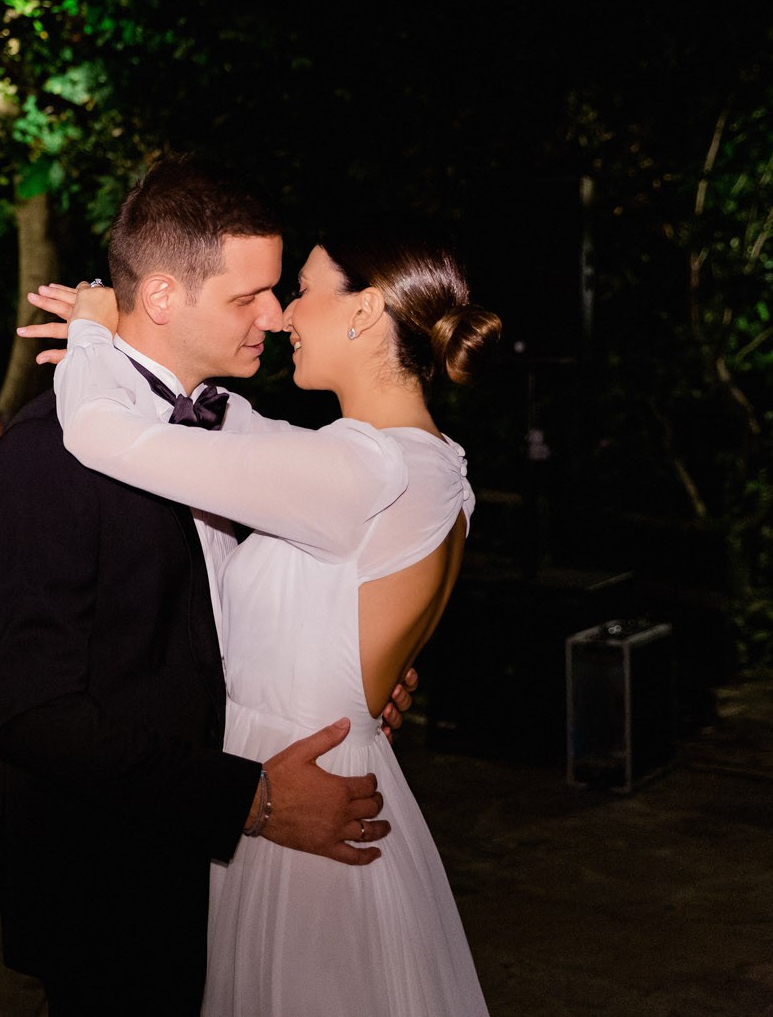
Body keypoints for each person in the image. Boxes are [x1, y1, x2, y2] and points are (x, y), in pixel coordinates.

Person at [29, 221, 500, 1014]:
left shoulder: (363, 471)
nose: (283, 315)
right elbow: (238, 428)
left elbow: (102, 434)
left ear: (365, 309)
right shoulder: (430, 463)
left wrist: (92, 334)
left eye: (303, 291)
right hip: (328, 776)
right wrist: (141, 347)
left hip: (299, 803)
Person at [0, 159, 393, 1015]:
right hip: (112, 881)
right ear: (163, 296)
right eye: (249, 297)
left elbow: (217, 621)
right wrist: (253, 800)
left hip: (218, 873)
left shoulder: (226, 430)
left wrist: (360, 664)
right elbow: (33, 710)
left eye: (275, 291)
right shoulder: (48, 454)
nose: (273, 317)